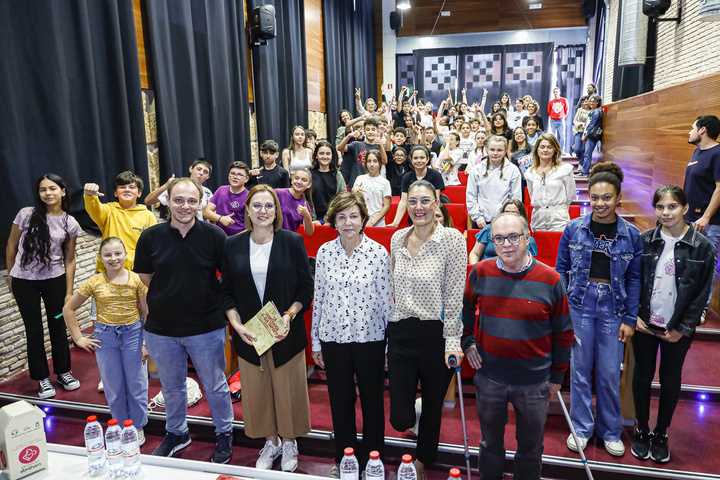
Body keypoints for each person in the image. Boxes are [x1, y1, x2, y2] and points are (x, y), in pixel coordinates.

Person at [462, 212, 574, 480]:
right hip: (490, 378)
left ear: (527, 238)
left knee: (531, 448)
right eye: (499, 239)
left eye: (514, 237)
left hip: (534, 381)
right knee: (489, 445)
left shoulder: (551, 280)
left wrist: (557, 376)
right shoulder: (480, 272)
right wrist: (467, 341)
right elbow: (464, 309)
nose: (507, 244)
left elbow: (563, 332)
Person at [134, 177, 235, 464]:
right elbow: (145, 278)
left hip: (205, 326)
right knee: (171, 386)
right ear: (167, 200)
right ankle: (177, 432)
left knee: (214, 384)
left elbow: (227, 277)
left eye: (192, 201)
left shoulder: (215, 236)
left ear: (200, 203)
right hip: (162, 329)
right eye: (179, 200)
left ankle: (224, 432)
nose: (185, 206)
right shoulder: (150, 237)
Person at [222, 184, 314, 472]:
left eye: (269, 206)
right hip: (250, 335)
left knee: (288, 390)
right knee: (258, 393)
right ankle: (271, 441)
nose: (263, 211)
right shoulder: (233, 244)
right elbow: (226, 292)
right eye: (257, 206)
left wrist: (289, 315)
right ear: (247, 209)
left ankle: (289, 441)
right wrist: (236, 324)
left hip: (285, 331)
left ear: (277, 211)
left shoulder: (291, 241)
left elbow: (305, 287)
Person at [555, 162, 642, 457]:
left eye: (607, 197)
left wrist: (630, 318)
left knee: (607, 372)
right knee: (579, 370)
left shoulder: (632, 234)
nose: (600, 203)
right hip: (579, 304)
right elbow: (561, 271)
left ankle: (610, 431)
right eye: (594, 197)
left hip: (613, 307)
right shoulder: (573, 228)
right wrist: (562, 312)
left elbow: (634, 279)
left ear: (618, 198)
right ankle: (580, 428)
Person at [631, 185, 716, 463]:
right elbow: (632, 281)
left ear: (685, 208)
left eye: (672, 207)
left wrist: (683, 327)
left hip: (677, 326)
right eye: (660, 207)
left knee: (670, 380)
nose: (666, 213)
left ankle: (661, 432)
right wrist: (636, 316)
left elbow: (702, 293)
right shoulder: (645, 240)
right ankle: (641, 429)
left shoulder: (702, 245)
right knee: (642, 377)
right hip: (646, 322)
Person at [311, 192, 392, 477]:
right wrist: (315, 341)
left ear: (363, 219)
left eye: (354, 216)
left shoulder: (379, 253)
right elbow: (318, 298)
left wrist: (388, 348)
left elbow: (387, 302)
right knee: (340, 402)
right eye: (342, 217)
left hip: (370, 340)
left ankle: (373, 460)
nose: (348, 223)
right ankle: (343, 458)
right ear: (333, 221)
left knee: (372, 402)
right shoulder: (324, 252)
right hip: (334, 339)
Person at [388, 180, 465, 478]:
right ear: (406, 205)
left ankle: (422, 460)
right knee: (399, 417)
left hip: (436, 334)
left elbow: (455, 294)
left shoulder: (453, 239)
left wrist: (452, 339)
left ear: (436, 204)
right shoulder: (396, 239)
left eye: (425, 201)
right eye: (413, 202)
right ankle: (413, 411)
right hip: (401, 332)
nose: (419, 208)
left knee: (433, 407)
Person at [63, 237, 149, 445]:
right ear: (100, 258)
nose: (113, 258)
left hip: (133, 335)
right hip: (105, 338)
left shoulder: (136, 279)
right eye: (107, 254)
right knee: (113, 384)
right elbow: (68, 309)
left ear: (126, 255)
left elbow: (146, 312)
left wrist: (147, 342)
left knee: (136, 383)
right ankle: (120, 425)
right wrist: (78, 337)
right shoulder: (94, 281)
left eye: (118, 253)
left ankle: (136, 426)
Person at [6, 174, 82, 398]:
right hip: (24, 283)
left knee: (58, 326)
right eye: (42, 189)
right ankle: (41, 378)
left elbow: (70, 258)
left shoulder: (70, 222)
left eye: (52, 188)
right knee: (34, 331)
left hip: (55, 282)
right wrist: (11, 277)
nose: (47, 193)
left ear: (63, 192)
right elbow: (11, 246)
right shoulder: (26, 214)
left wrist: (68, 292)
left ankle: (64, 372)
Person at [682, 115, 720, 321]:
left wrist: (705, 217)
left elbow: (719, 189)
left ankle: (701, 308)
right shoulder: (698, 151)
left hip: (708, 223)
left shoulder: (718, 153)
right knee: (687, 261)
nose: (690, 131)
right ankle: (686, 302)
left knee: (706, 264)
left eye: (692, 128)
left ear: (703, 130)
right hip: (689, 219)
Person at [84, 171, 157, 273]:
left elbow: (153, 246)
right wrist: (89, 195)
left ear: (139, 193)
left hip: (136, 272)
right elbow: (94, 208)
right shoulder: (109, 210)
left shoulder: (148, 215)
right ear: (115, 193)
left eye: (131, 187)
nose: (127, 190)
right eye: (122, 187)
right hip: (107, 271)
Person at [466, 135, 522, 228]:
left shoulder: (513, 170)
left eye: (499, 150)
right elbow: (471, 196)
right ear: (486, 149)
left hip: (505, 221)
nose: (495, 153)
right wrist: (478, 217)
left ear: (505, 151)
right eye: (492, 149)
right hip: (481, 221)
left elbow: (515, 198)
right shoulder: (477, 170)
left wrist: (509, 217)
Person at [524, 133, 576, 231]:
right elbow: (532, 194)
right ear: (537, 150)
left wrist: (559, 209)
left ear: (555, 149)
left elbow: (571, 194)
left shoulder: (565, 169)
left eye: (549, 147)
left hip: (559, 219)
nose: (545, 150)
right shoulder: (530, 173)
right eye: (542, 147)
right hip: (538, 219)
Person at [388, 145, 445, 228]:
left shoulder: (435, 175)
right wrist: (395, 223)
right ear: (411, 160)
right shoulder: (407, 177)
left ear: (427, 159)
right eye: (415, 158)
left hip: (430, 217)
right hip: (414, 216)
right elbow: (404, 201)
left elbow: (435, 201)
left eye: (422, 158)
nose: (419, 161)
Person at [468, 199, 537, 263]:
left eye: (514, 213)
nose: (509, 215)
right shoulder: (489, 229)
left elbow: (531, 263)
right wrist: (475, 271)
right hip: (487, 271)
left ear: (521, 215)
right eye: (506, 212)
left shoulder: (528, 239)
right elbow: (475, 253)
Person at [145, 158, 213, 221]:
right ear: (191, 169)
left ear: (208, 177)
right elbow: (148, 201)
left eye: (205, 172)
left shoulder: (207, 193)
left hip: (199, 230)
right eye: (199, 169)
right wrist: (165, 186)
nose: (201, 173)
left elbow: (212, 215)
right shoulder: (177, 187)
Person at [337, 117, 387, 189]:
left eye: (373, 130)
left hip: (372, 185)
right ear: (364, 131)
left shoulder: (379, 146)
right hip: (356, 184)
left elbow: (384, 162)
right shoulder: (357, 144)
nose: (370, 132)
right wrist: (348, 136)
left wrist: (381, 147)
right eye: (368, 129)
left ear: (377, 131)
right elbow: (340, 148)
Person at [203, 162, 250, 236]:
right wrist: (221, 218)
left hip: (239, 238)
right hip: (219, 236)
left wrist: (237, 238)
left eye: (240, 175)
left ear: (246, 179)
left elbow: (252, 225)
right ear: (228, 176)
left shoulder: (249, 196)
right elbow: (206, 212)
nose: (235, 177)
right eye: (232, 173)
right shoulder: (221, 190)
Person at [309, 141, 347, 222]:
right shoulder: (309, 174)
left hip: (333, 220)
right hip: (314, 220)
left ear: (332, 155)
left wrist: (333, 219)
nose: (325, 156)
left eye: (328, 154)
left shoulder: (338, 175)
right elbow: (304, 198)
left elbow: (343, 198)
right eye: (321, 153)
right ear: (316, 155)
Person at [353, 150, 392, 226]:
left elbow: (387, 206)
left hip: (377, 222)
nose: (372, 164)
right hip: (360, 221)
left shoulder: (385, 182)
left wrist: (372, 222)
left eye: (375, 161)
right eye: (369, 161)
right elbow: (353, 201)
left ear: (380, 163)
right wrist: (353, 192)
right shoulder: (359, 179)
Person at [276, 168, 315, 234]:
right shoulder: (278, 193)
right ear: (292, 180)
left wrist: (306, 215)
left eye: (304, 180)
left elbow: (309, 233)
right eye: (296, 178)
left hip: (290, 240)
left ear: (309, 185)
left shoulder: (305, 205)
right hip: (272, 237)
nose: (299, 182)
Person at [579, 95, 603, 177]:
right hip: (588, 134)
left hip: (592, 135)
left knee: (587, 154)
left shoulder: (597, 112)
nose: (591, 103)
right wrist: (584, 133)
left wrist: (586, 135)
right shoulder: (592, 111)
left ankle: (584, 172)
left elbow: (592, 125)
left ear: (597, 102)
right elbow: (587, 124)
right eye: (591, 101)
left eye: (594, 101)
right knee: (585, 153)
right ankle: (583, 171)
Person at [548, 87, 569, 152]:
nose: (555, 93)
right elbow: (549, 111)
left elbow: (566, 109)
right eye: (554, 92)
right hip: (553, 121)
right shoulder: (551, 102)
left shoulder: (564, 100)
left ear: (559, 92)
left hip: (561, 120)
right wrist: (552, 116)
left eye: (557, 91)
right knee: (553, 136)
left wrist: (563, 116)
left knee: (562, 137)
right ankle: (554, 150)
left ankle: (561, 150)